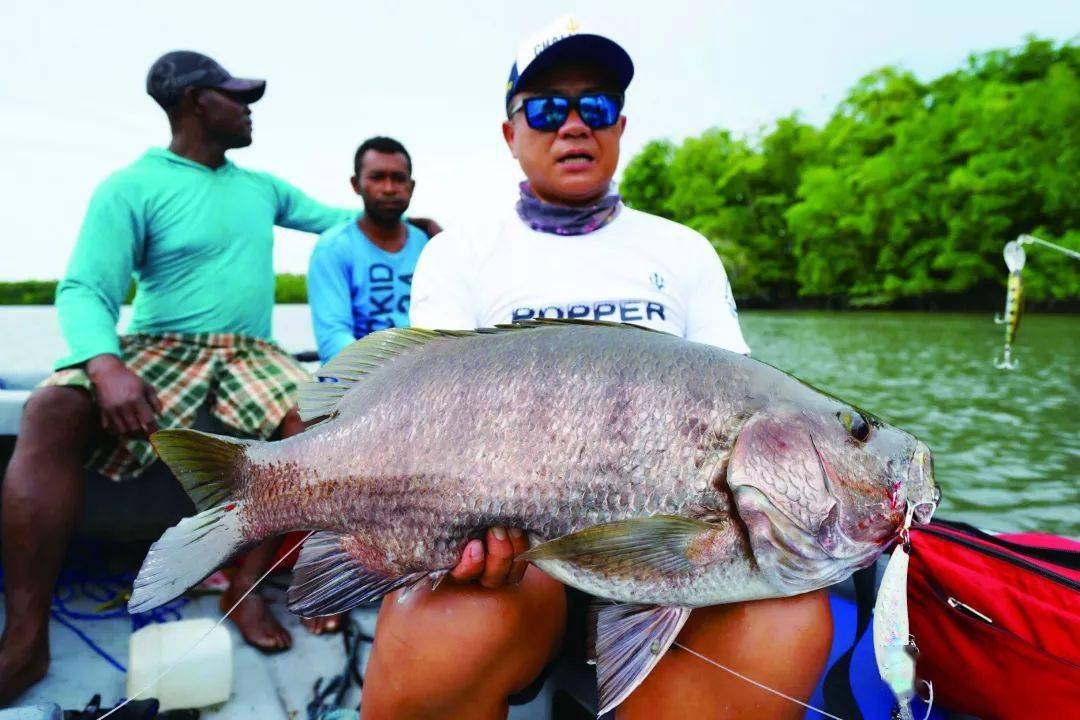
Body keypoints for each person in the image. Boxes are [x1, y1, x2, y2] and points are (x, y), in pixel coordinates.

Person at [361, 18, 833, 720]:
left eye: (598, 106)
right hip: (522, 557)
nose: (574, 125)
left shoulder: (683, 252)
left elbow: (742, 411)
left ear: (619, 126)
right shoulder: (460, 255)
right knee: (441, 628)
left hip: (679, 551)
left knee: (789, 623)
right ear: (509, 133)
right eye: (548, 108)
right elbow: (437, 415)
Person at [0, 51, 436, 702]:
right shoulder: (130, 186)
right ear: (195, 103)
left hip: (250, 351)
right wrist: (105, 363)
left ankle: (248, 588)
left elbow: (333, 218)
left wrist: (407, 223)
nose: (248, 106)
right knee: (49, 411)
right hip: (158, 344)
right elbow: (85, 289)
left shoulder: (260, 187)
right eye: (235, 96)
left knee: (321, 416)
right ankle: (26, 638)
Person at [308, 137, 434, 363]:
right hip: (356, 381)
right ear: (356, 185)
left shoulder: (428, 244)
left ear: (411, 186)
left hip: (422, 371)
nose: (388, 188)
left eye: (398, 178)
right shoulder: (333, 248)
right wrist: (387, 370)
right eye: (377, 178)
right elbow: (333, 337)